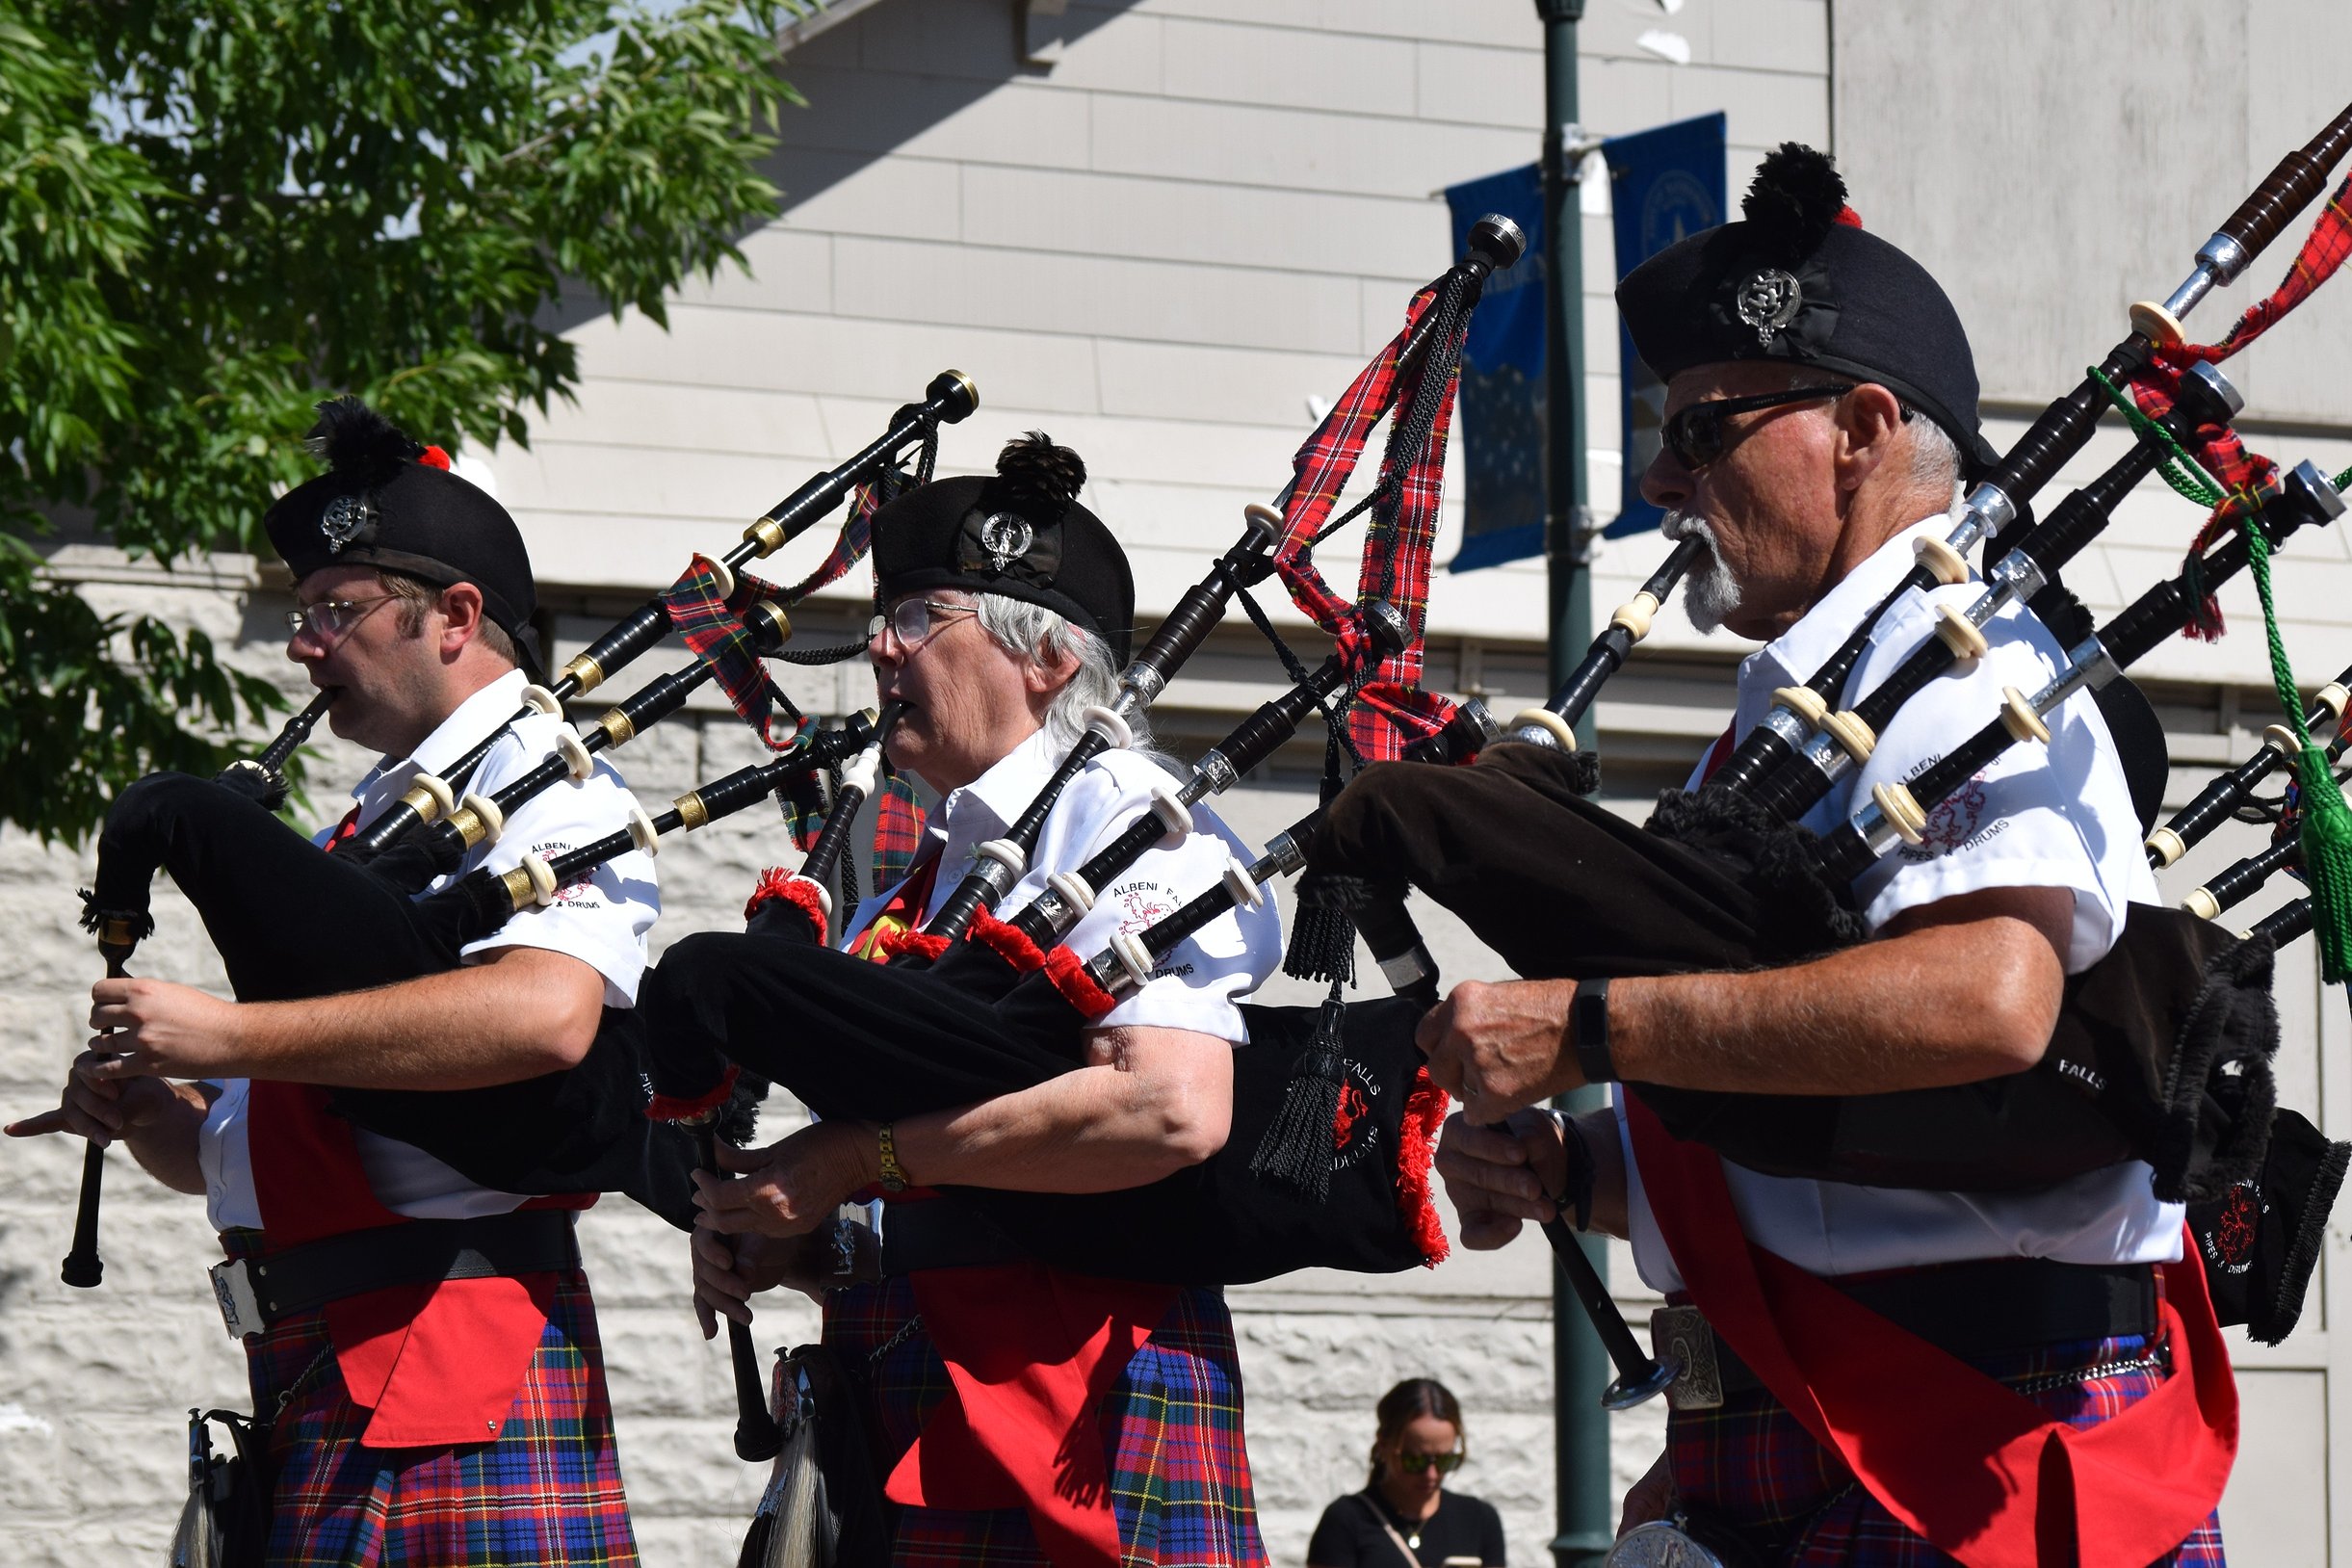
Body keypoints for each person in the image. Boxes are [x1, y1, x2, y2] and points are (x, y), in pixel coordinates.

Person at [1424, 146, 2234, 1565]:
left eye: (1703, 430)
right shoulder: (1797, 712)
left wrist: (1587, 1026)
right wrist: (1576, 1168)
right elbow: (1827, 1127)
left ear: (1860, 429)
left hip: (1968, 1432)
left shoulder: (1963, 669)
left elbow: (1989, 1001)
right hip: (1804, 1418)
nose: (1663, 479)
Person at [7, 398, 658, 1566]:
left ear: (456, 616)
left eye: (336, 610)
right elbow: (282, 1133)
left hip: (452, 1369)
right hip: (328, 1361)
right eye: (303, 612)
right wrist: (163, 1112)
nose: (303, 646)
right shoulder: (367, 826)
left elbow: (544, 1016)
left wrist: (226, 1037)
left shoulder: (557, 790)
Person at [687, 432, 1285, 1567]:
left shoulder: (1122, 812)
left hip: (1075, 1404)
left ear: (1045, 659)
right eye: (884, 616)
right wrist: (794, 1238)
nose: (879, 643)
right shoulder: (924, 869)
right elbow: (932, 1180)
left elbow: (1168, 1107)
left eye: (919, 616)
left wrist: (854, 1159)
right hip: (911, 1389)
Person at [1306, 1378, 1504, 1568]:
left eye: (1445, 1461)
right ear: (1384, 1444)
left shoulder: (1479, 1519)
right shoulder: (1346, 1520)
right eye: (1415, 1461)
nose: (1431, 1475)